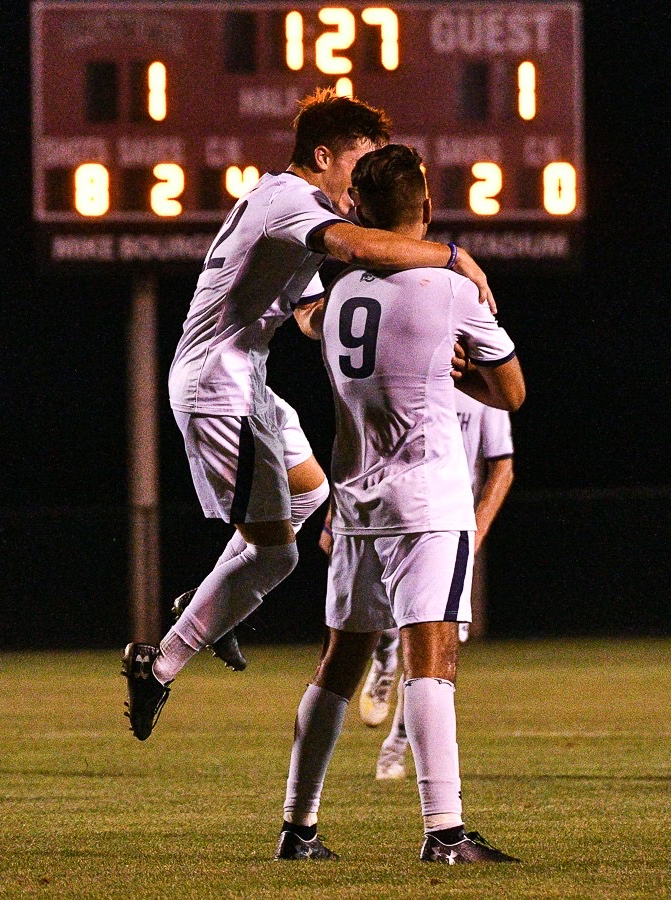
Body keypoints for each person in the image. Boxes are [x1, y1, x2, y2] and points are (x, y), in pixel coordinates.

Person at [123, 88, 499, 741]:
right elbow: (356, 248)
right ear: (322, 154)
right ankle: (160, 663)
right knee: (276, 558)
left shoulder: (301, 209)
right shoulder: (288, 200)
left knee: (311, 495)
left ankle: (212, 602)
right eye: (360, 158)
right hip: (218, 385)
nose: (365, 175)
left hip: (248, 379)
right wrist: (452, 258)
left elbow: (309, 315)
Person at [276, 143, 525, 863]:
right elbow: (511, 393)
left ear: (358, 210)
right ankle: (444, 832)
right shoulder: (451, 289)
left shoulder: (342, 294)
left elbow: (310, 319)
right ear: (426, 209)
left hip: (355, 504)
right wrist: (466, 374)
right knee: (432, 658)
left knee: (338, 665)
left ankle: (298, 828)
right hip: (428, 499)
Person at [340, 391, 515, 781]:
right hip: (392, 515)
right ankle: (385, 656)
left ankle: (395, 749)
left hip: (447, 531)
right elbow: (362, 439)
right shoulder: (410, 367)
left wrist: (474, 535)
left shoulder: (483, 388)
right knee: (374, 621)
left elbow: (502, 467)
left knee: (437, 650)